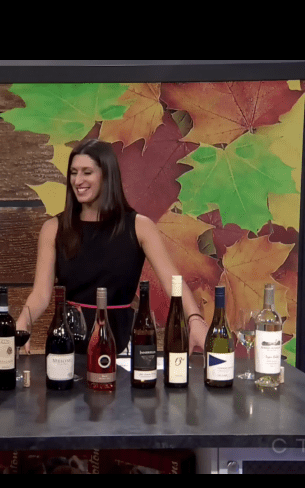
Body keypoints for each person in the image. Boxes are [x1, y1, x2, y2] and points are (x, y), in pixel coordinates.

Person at [17, 139, 208, 354]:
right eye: (73, 173)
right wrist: (24, 320)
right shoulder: (53, 228)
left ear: (107, 175)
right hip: (68, 343)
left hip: (121, 344)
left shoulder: (140, 227)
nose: (78, 180)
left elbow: (173, 282)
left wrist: (194, 319)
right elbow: (41, 294)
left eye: (87, 172)